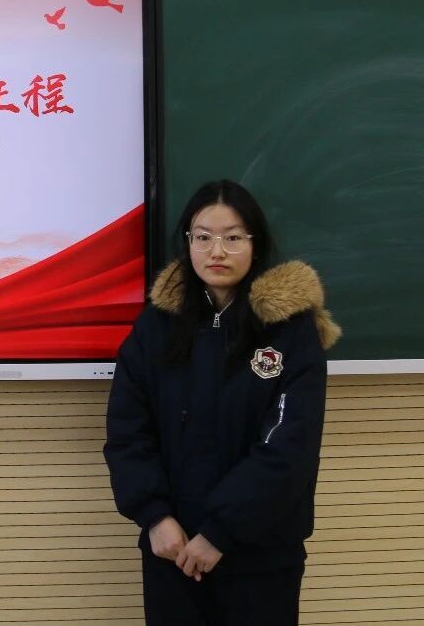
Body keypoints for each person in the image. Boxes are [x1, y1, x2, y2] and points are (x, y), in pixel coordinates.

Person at [104, 180, 341, 625]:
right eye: (203, 237)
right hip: (171, 550)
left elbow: (289, 448)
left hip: (261, 553)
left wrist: (219, 531)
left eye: (233, 238)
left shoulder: (290, 330)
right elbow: (127, 430)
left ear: (256, 244)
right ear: (188, 242)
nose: (217, 251)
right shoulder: (156, 327)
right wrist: (155, 516)